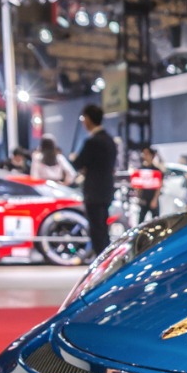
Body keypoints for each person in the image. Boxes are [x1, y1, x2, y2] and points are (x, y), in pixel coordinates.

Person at [70, 104, 117, 259]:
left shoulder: (92, 142)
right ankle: (106, 260)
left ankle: (100, 262)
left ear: (89, 119)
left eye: (84, 118)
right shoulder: (110, 140)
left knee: (96, 231)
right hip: (106, 190)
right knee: (103, 229)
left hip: (94, 192)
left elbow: (78, 164)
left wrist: (74, 159)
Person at [135, 145, 163, 220]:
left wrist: (155, 199)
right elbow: (138, 186)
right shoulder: (140, 169)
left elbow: (159, 186)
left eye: (147, 154)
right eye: (144, 154)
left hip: (153, 198)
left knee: (156, 220)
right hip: (143, 199)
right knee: (141, 220)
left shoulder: (156, 170)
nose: (145, 156)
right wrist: (139, 197)